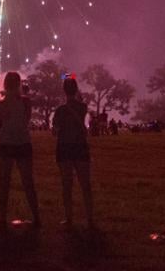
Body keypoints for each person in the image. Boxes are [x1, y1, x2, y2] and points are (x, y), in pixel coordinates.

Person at [0, 71, 42, 230]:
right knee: (28, 181)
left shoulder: (0, 103)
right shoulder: (26, 102)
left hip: (7, 142)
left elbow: (4, 119)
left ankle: (2, 218)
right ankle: (36, 216)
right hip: (23, 142)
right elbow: (26, 120)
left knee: (4, 181)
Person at [53, 76, 94, 230]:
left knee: (67, 184)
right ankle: (90, 218)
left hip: (64, 147)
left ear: (63, 91)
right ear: (76, 89)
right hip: (80, 146)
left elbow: (55, 130)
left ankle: (69, 217)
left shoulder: (60, 110)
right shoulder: (82, 107)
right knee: (85, 185)